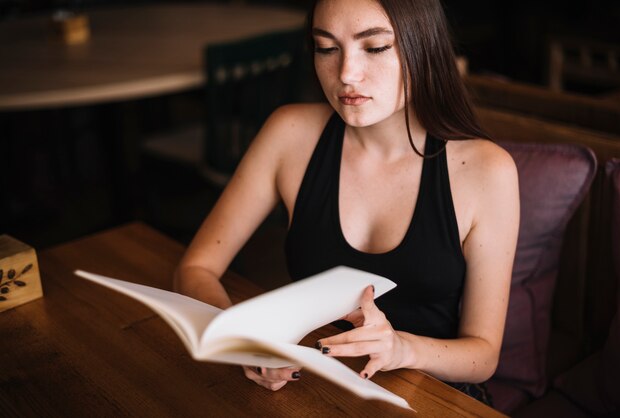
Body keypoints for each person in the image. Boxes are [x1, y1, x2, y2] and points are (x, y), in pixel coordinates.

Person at [174, 0, 520, 405]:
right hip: (314, 389)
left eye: (374, 48)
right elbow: (196, 267)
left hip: (431, 398)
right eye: (326, 48)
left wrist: (401, 348)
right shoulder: (289, 135)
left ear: (423, 47)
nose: (346, 75)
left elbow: (483, 354)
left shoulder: (486, 171)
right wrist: (242, 341)